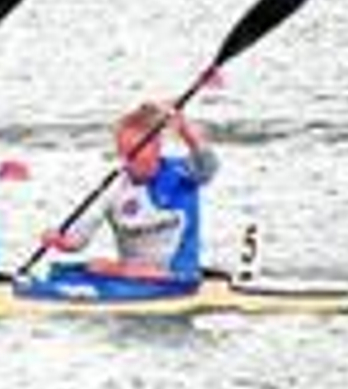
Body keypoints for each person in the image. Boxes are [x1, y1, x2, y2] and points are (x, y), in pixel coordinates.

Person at [41, 100, 218, 281]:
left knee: (104, 266)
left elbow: (209, 167)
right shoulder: (113, 188)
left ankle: (125, 271)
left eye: (137, 151)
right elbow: (78, 241)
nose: (130, 159)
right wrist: (59, 240)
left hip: (178, 278)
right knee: (90, 266)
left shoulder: (182, 173)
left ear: (157, 147)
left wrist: (185, 131)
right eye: (124, 152)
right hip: (133, 282)